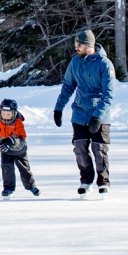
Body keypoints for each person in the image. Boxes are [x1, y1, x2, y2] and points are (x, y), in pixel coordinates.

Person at [53, 29, 115, 195]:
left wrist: (98, 116)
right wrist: (59, 108)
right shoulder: (75, 62)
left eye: (78, 45)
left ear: (88, 46)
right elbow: (68, 86)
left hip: (99, 115)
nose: (76, 48)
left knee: (99, 149)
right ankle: (86, 179)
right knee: (79, 148)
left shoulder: (104, 64)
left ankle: (103, 182)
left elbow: (108, 94)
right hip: (80, 113)